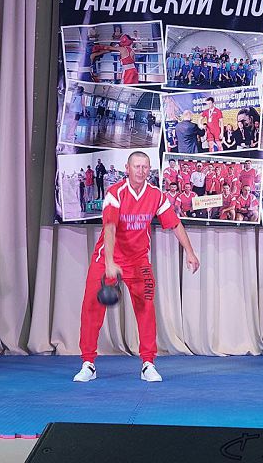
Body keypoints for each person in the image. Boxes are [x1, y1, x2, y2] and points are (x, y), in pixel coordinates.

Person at [73, 152, 200, 384]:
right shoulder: (115, 193)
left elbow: (174, 224)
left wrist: (190, 252)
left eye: (145, 167)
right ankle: (88, 363)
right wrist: (110, 262)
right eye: (136, 166)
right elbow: (110, 228)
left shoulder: (156, 195)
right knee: (92, 308)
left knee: (146, 308)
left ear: (149, 170)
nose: (141, 171)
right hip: (107, 258)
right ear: (127, 168)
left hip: (138, 261)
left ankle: (148, 363)